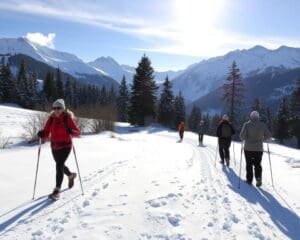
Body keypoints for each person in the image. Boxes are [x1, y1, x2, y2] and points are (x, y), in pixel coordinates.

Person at [37, 99, 80, 200]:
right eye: (54, 108)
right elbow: (46, 132)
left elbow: (77, 132)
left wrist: (71, 131)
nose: (56, 110)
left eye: (59, 108)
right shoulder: (51, 119)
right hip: (54, 146)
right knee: (59, 164)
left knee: (59, 165)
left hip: (66, 146)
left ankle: (57, 191)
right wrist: (42, 134)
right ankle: (70, 175)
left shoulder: (67, 118)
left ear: (63, 109)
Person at [240, 111, 271, 187]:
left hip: (248, 149)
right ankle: (258, 178)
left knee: (249, 164)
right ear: (258, 117)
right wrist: (262, 140)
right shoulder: (263, 125)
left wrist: (246, 137)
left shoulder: (246, 125)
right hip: (259, 149)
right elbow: (269, 136)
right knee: (257, 164)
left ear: (251, 116)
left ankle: (249, 180)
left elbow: (242, 136)